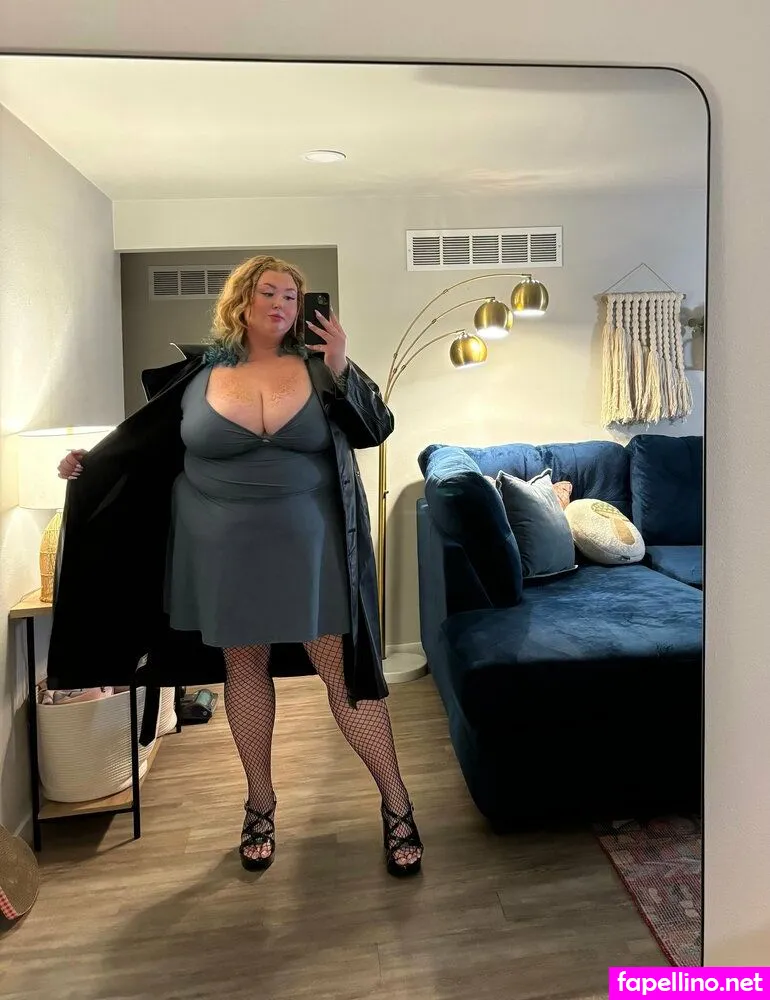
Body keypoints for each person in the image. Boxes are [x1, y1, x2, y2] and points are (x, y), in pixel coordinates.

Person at [54, 254, 422, 877]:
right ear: (242, 301)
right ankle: (260, 804)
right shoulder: (196, 373)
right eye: (268, 292)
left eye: (291, 296)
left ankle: (397, 803)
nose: (281, 304)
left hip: (310, 547)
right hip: (220, 547)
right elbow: (146, 445)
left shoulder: (322, 365)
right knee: (244, 667)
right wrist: (88, 464)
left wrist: (340, 365)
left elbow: (375, 429)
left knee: (342, 671)